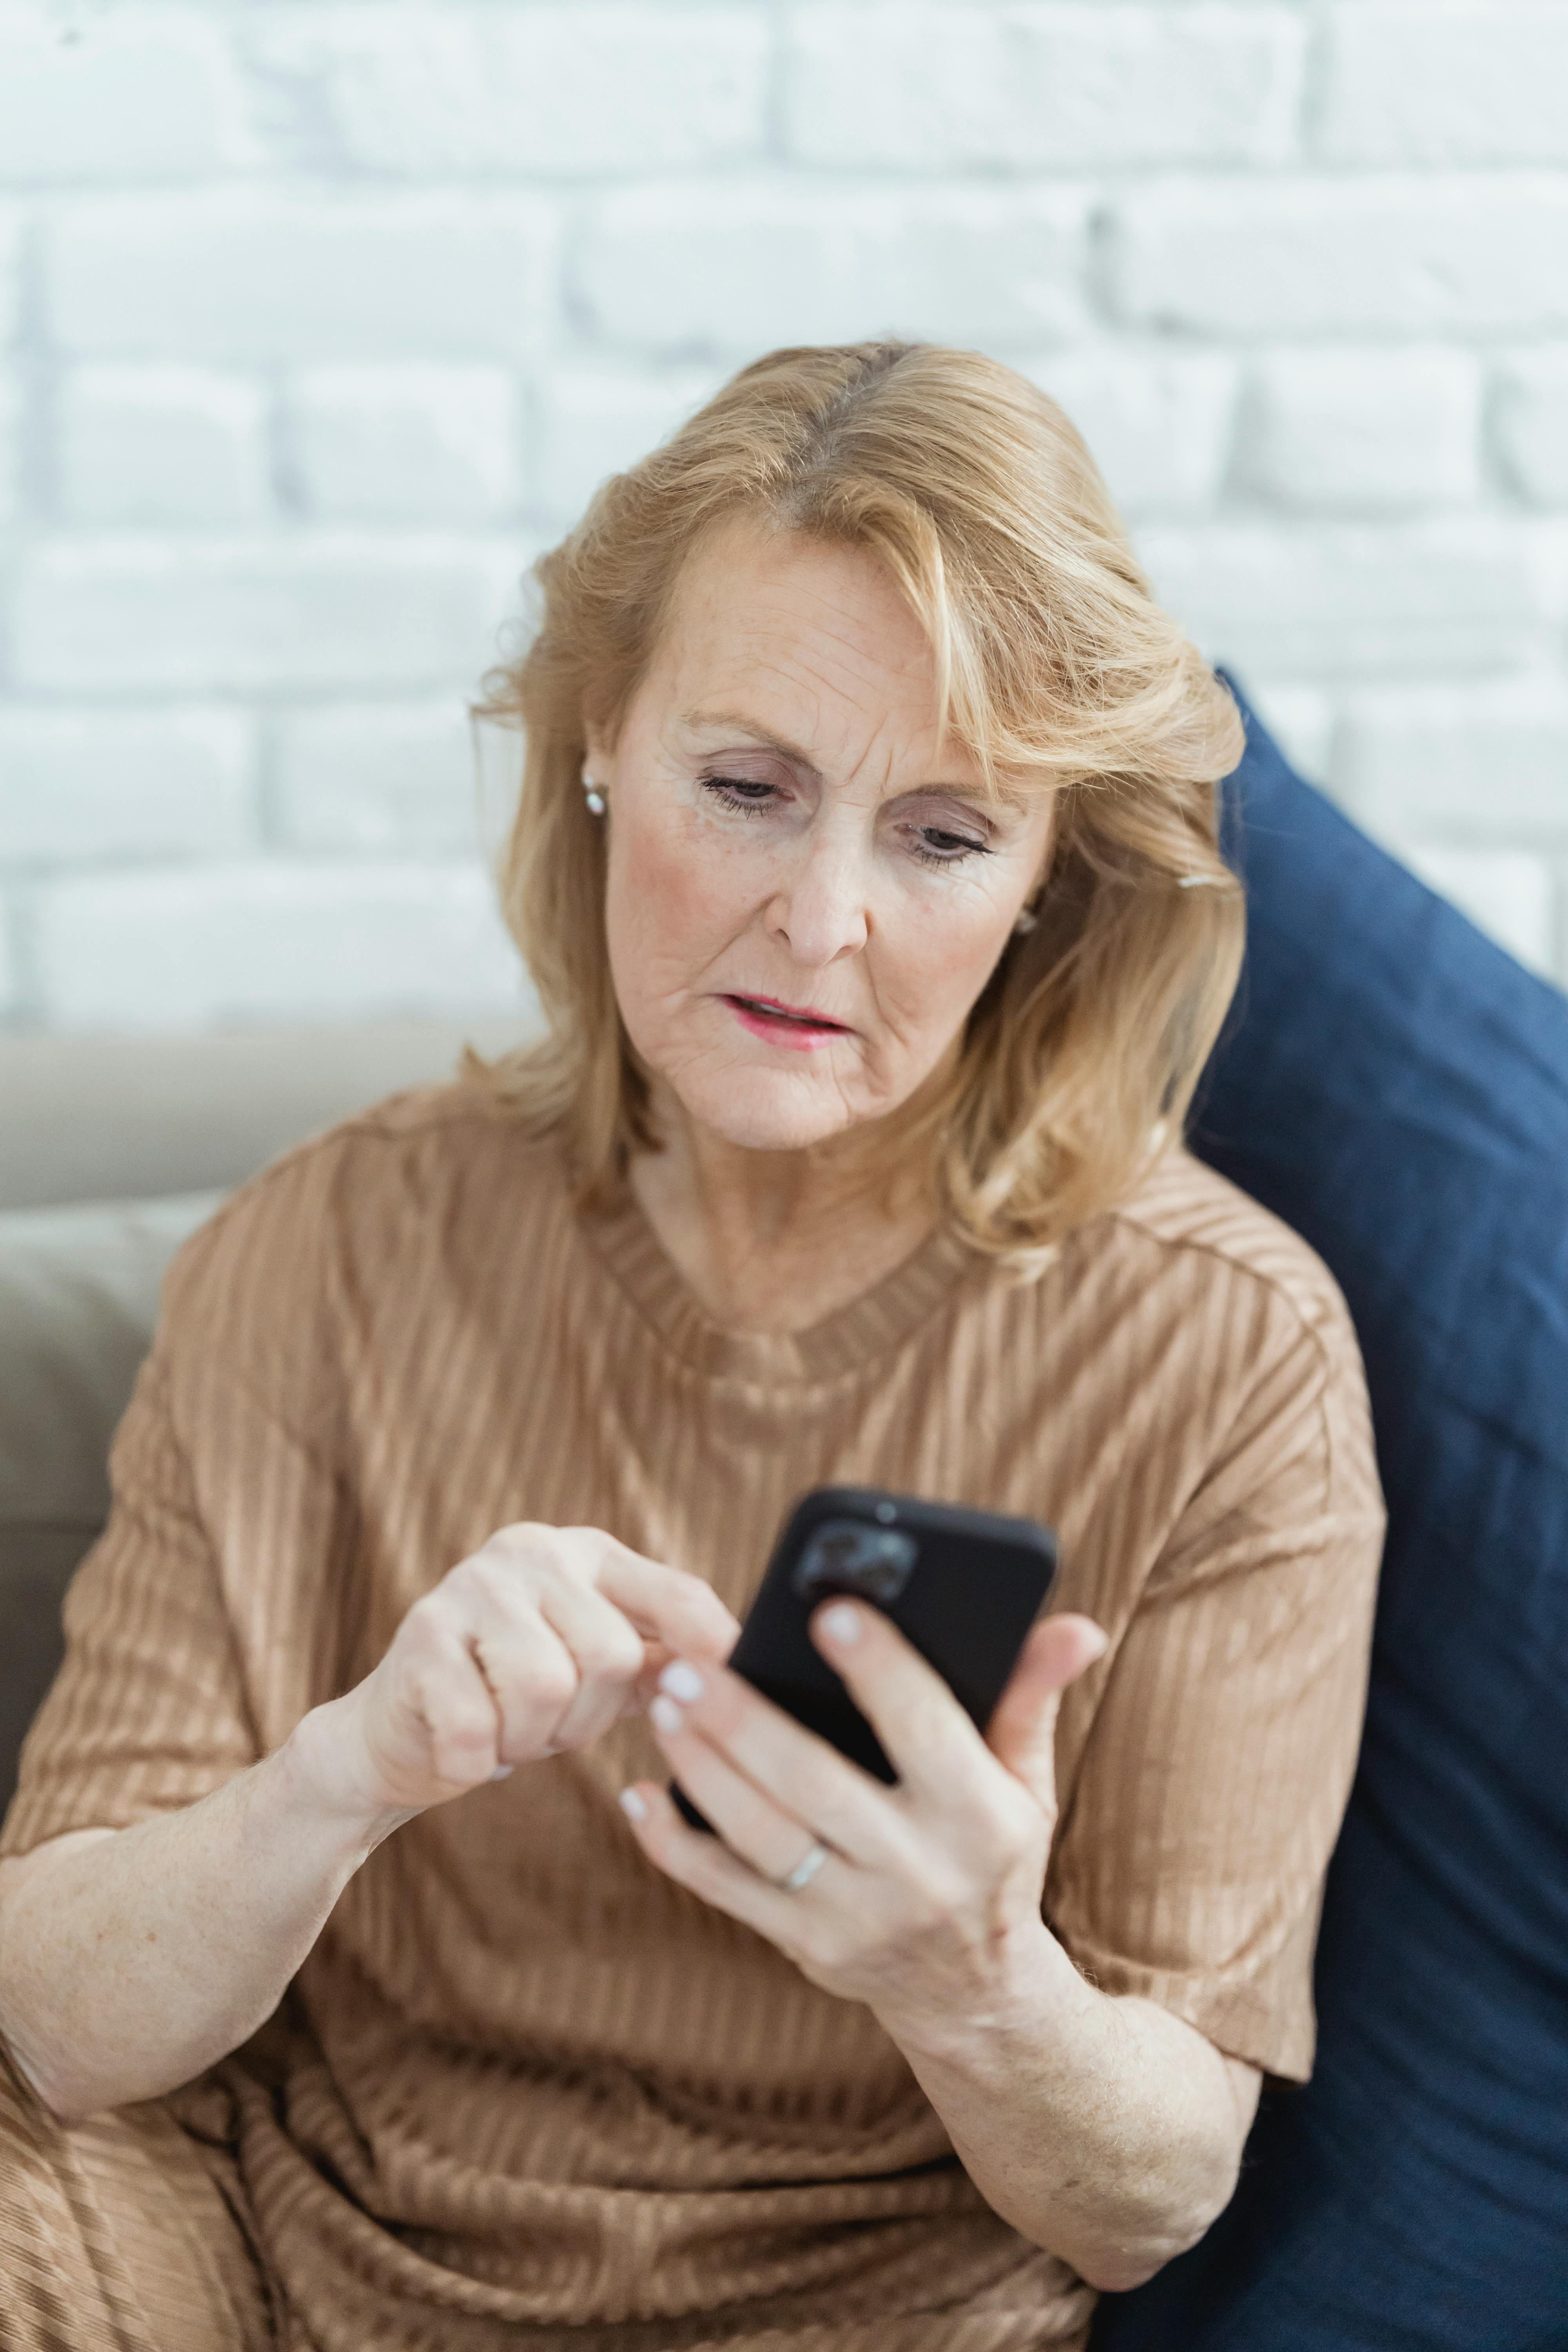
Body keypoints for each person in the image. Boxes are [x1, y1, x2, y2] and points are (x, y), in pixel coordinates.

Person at [0, 342, 1383, 2352]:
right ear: (593, 744)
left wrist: (969, 1972)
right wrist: (347, 1773)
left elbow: (1150, 2203)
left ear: (1042, 887)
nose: (819, 921)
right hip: (265, 2252)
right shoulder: (321, 1248)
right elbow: (60, 2009)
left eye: (939, 836)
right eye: (746, 791)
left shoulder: (1224, 1354)